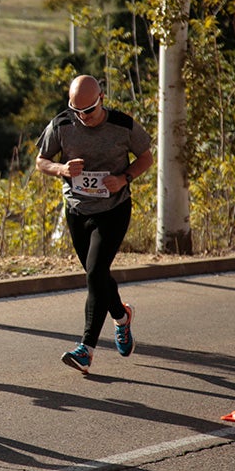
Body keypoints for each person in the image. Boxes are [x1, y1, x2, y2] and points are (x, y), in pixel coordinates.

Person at [35, 75, 153, 374]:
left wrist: (123, 178)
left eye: (88, 111)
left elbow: (146, 158)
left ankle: (86, 349)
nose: (83, 117)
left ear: (101, 97)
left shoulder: (123, 125)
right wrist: (61, 168)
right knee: (95, 274)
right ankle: (122, 317)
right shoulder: (62, 124)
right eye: (77, 111)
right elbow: (41, 161)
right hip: (77, 210)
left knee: (96, 273)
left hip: (113, 209)